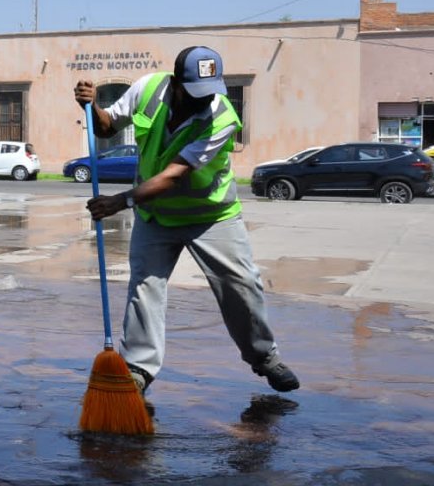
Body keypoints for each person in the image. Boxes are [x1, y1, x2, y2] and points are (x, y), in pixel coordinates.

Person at [74, 45, 299, 395]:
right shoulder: (147, 89)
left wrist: (120, 201)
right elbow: (105, 129)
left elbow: (173, 176)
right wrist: (92, 106)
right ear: (176, 83)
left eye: (209, 92)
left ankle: (264, 357)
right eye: (195, 92)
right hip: (156, 216)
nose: (203, 100)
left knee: (241, 285)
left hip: (211, 216)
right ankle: (137, 369)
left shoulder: (221, 116)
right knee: (144, 288)